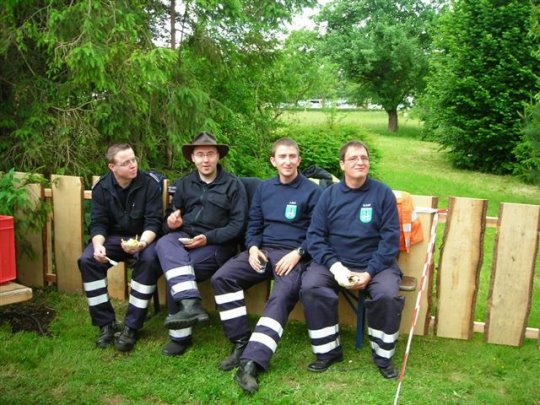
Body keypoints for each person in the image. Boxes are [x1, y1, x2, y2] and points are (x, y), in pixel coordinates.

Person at [211, 137, 322, 394]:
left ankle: (251, 363)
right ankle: (240, 343)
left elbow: (317, 232)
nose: (287, 161)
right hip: (263, 252)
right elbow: (254, 224)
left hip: (292, 256)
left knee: (281, 295)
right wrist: (251, 248)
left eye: (292, 156)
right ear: (273, 161)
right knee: (223, 278)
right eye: (282, 157)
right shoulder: (264, 189)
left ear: (299, 160)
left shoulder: (312, 192)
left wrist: (299, 253)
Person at [301, 140, 404, 379]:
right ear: (341, 165)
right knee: (311, 286)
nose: (360, 162)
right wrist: (335, 267)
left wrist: (369, 272)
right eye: (353, 158)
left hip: (376, 264)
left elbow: (390, 241)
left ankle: (383, 356)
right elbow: (315, 237)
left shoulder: (383, 194)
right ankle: (328, 352)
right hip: (335, 262)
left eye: (364, 158)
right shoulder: (328, 196)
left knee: (387, 295)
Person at [155, 131, 248, 357]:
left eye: (210, 154)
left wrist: (208, 238)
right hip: (185, 238)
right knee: (165, 242)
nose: (205, 160)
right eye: (200, 155)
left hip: (216, 245)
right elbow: (171, 219)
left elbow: (238, 226)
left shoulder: (233, 185)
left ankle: (181, 335)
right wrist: (172, 222)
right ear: (192, 158)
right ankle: (189, 308)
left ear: (218, 157)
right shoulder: (185, 184)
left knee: (177, 272)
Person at [78, 143, 163, 352]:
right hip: (113, 239)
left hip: (145, 239)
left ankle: (132, 327)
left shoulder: (150, 185)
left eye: (133, 159)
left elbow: (154, 222)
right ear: (112, 167)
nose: (133, 165)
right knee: (87, 260)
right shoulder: (102, 188)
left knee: (150, 260)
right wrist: (98, 246)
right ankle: (106, 324)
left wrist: (141, 243)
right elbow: (98, 223)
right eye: (126, 163)